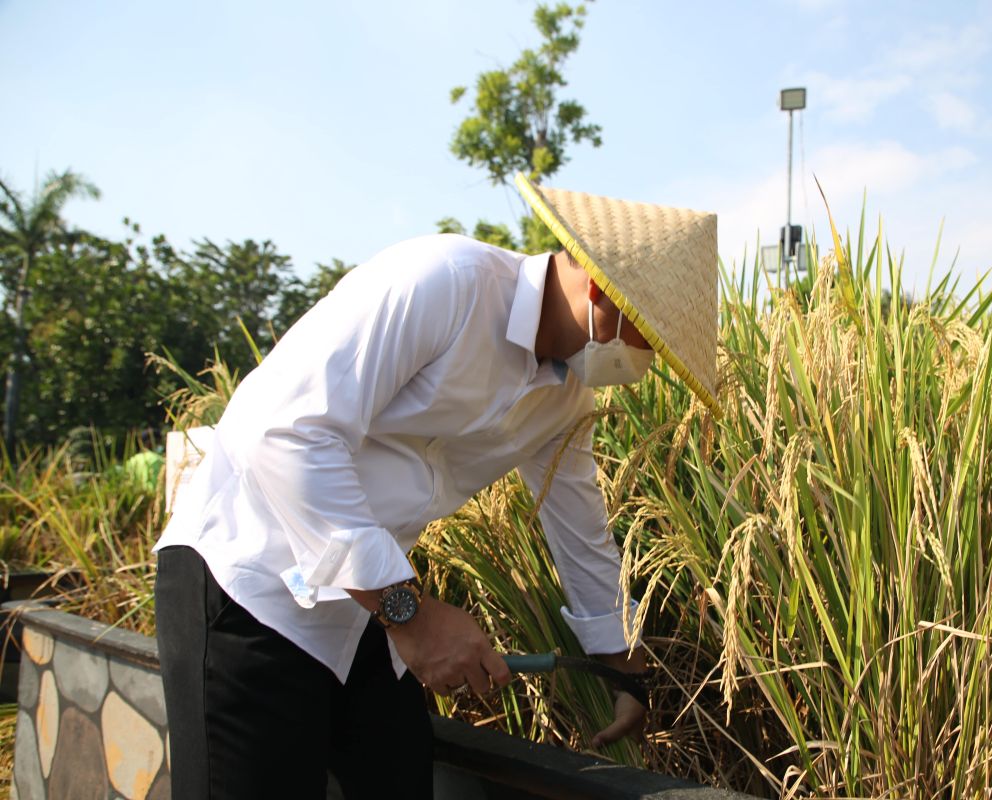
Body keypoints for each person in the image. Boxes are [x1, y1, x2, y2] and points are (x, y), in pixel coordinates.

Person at [153, 174, 719, 799]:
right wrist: (412, 617)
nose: (645, 365)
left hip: (360, 611)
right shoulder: (445, 283)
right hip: (247, 586)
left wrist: (620, 667)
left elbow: (579, 525)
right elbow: (285, 433)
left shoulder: (565, 398)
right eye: (650, 342)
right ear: (605, 295)